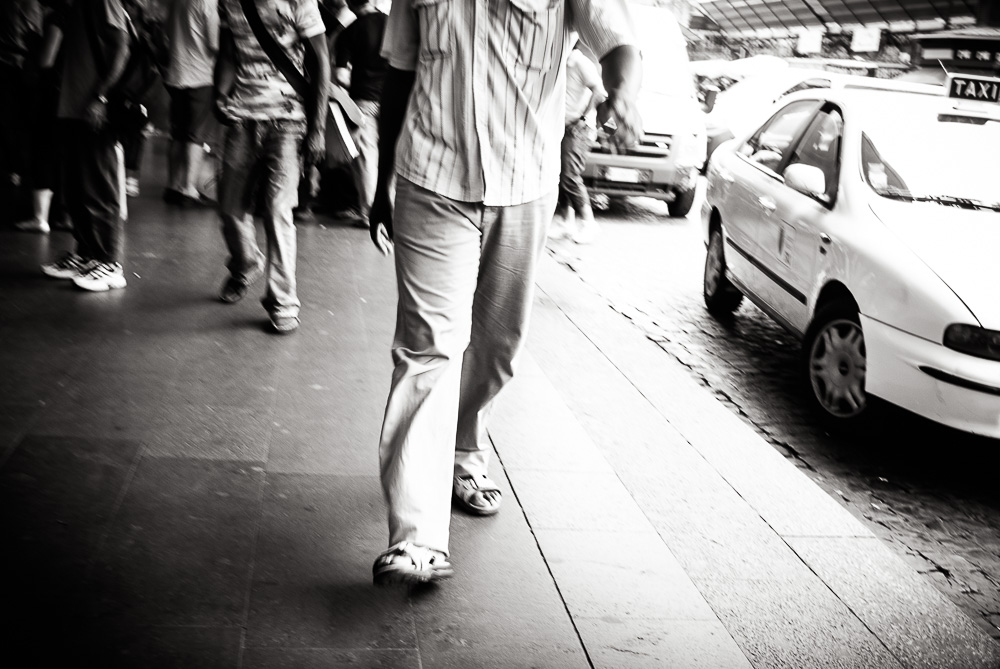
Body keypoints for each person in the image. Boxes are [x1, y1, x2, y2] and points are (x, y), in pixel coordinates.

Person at [369, 0, 642, 585]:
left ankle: (464, 446)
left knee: (497, 346)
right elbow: (400, 69)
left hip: (525, 181)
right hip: (430, 176)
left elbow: (615, 38)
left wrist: (623, 89)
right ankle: (416, 538)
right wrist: (381, 178)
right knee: (426, 349)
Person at [214, 0, 330, 334]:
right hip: (242, 117)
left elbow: (322, 59)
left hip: (288, 120)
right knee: (228, 208)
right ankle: (245, 263)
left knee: (279, 209)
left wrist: (317, 129)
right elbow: (228, 52)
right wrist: (220, 94)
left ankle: (283, 301)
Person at [40, 0, 131, 292]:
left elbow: (122, 46)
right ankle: (87, 254)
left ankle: (109, 262)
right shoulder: (74, 6)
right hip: (71, 107)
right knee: (76, 189)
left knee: (99, 187)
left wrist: (101, 97)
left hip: (92, 108)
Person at [332, 0, 386, 228]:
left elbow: (342, 76)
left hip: (363, 101)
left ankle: (370, 215)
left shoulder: (351, 30)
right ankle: (390, 211)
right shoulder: (391, 23)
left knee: (366, 159)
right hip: (392, 101)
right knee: (388, 159)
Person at [164, 0, 219, 206]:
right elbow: (213, 44)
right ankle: (188, 189)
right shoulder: (207, 3)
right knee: (195, 135)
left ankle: (172, 186)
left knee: (177, 133)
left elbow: (167, 32)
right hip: (200, 76)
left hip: (176, 73)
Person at [551, 42, 606, 244]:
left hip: (579, 129)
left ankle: (589, 223)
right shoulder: (559, 62)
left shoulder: (580, 63)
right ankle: (567, 222)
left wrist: (583, 118)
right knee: (560, 175)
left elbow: (599, 92)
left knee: (570, 175)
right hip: (560, 127)